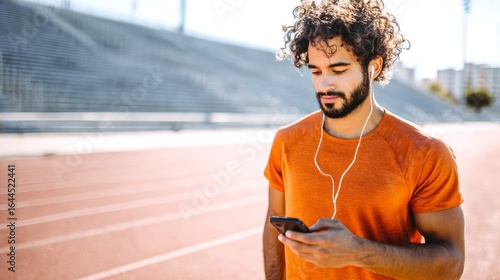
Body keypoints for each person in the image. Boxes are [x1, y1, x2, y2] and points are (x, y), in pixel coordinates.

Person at [262, 0, 465, 279]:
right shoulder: (287, 141)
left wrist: (359, 252)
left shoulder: (425, 153)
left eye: (339, 69)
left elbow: (451, 264)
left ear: (374, 67)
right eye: (316, 71)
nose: (324, 85)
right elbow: (273, 227)